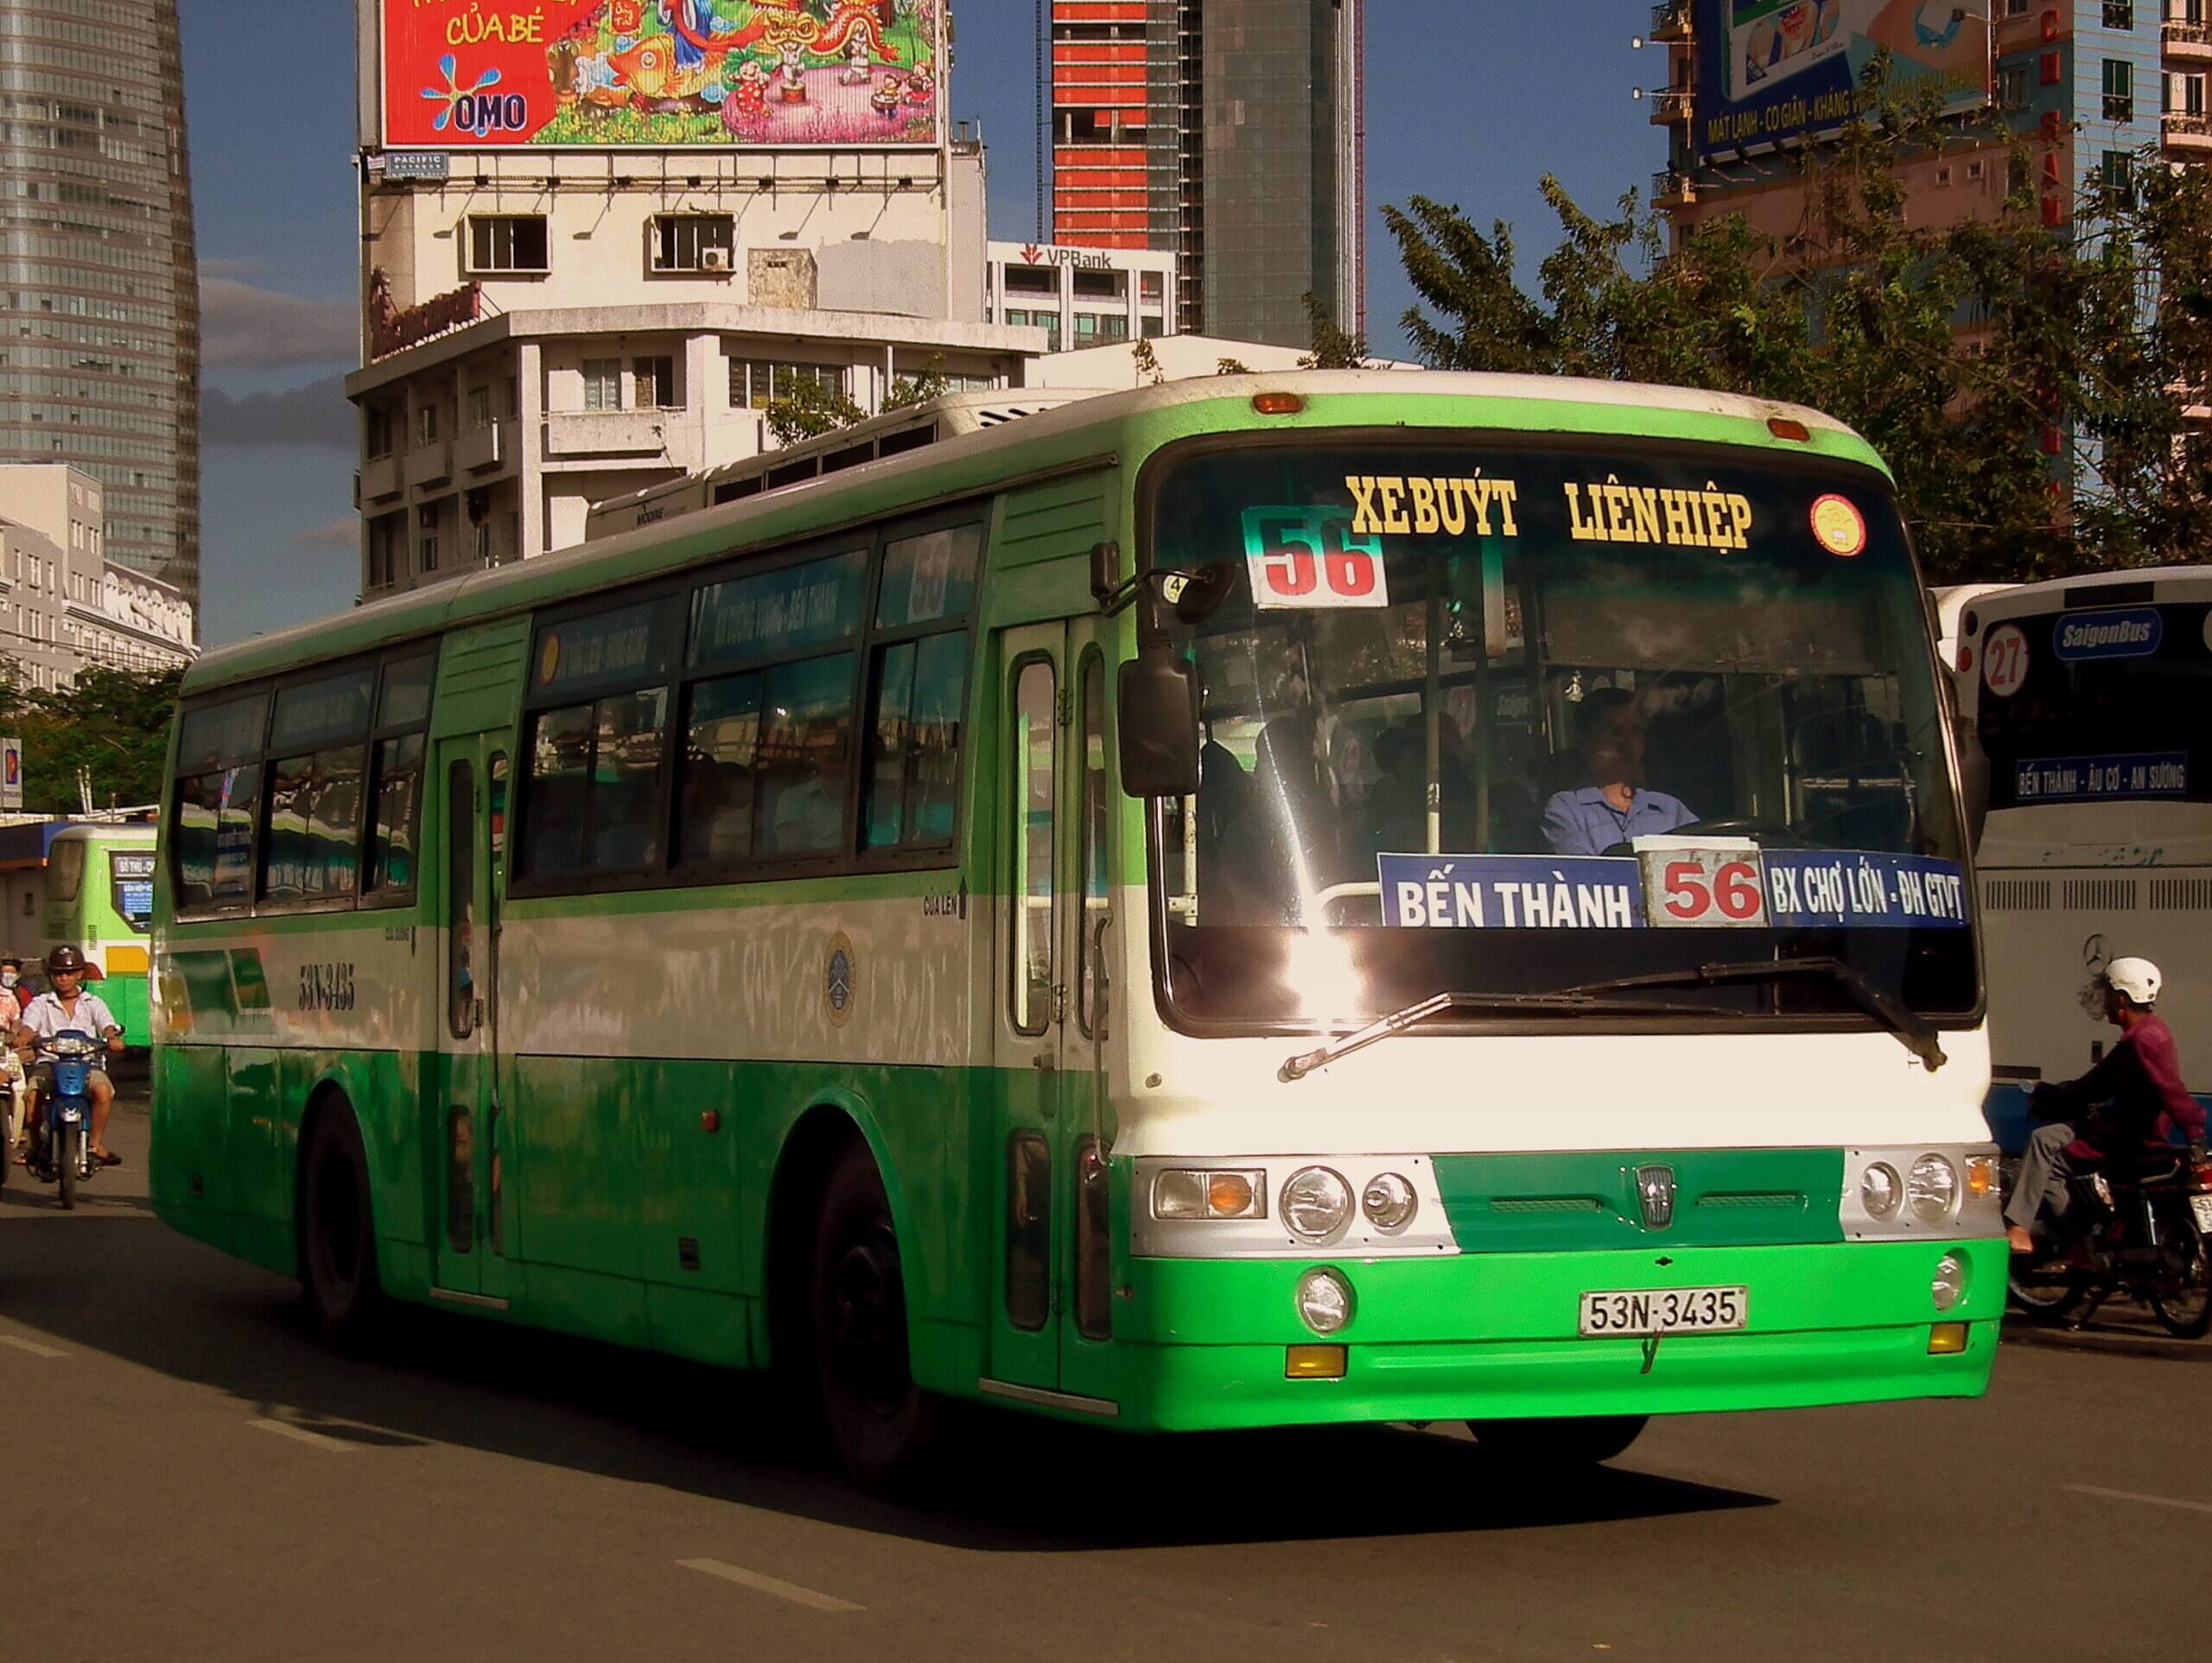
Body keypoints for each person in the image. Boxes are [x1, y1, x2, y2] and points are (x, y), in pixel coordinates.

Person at [2004, 956, 2208, 1256]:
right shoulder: (2143, 1036)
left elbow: (2172, 1091)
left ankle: (2024, 1229)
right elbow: (2094, 1086)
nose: (2104, 999)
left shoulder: (2145, 1041)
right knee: (2047, 1165)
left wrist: (2195, 1134)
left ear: (2122, 998)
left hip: (2127, 1141)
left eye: (2109, 993)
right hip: (2122, 1134)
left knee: (2043, 1142)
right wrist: (2049, 1093)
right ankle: (2083, 1247)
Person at [1540, 687, 1698, 856]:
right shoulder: (1566, 809)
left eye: (1635, 731)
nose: (1628, 742)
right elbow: (1585, 876)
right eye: (1615, 732)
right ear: (1584, 743)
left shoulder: (1671, 809)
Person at [14, 944, 125, 1170]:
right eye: (58, 973)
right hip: (50, 1064)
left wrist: (112, 1039)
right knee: (32, 1096)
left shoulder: (93, 1003)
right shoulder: (41, 1003)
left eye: (69, 973)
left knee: (103, 1091)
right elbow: (29, 1027)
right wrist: (24, 1037)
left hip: (86, 1065)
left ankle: (95, 1144)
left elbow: (107, 1027)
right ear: (51, 976)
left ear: (79, 974)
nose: (64, 978)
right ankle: (35, 1147)